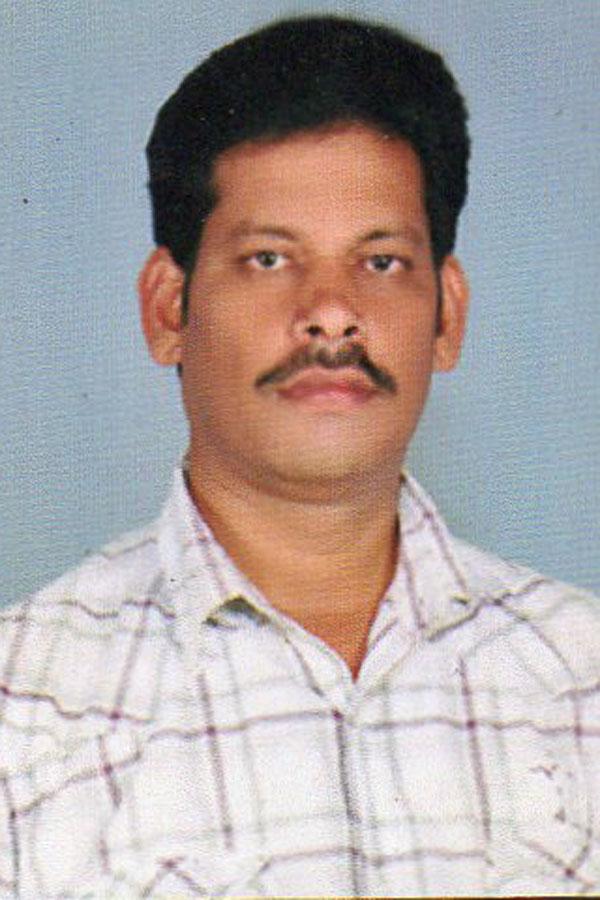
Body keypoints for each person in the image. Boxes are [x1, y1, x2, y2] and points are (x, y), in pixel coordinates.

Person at [1, 14, 598, 898]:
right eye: (270, 259)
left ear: (448, 314)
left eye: (382, 263)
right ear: (168, 309)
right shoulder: (24, 705)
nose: (331, 314)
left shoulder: (581, 676)